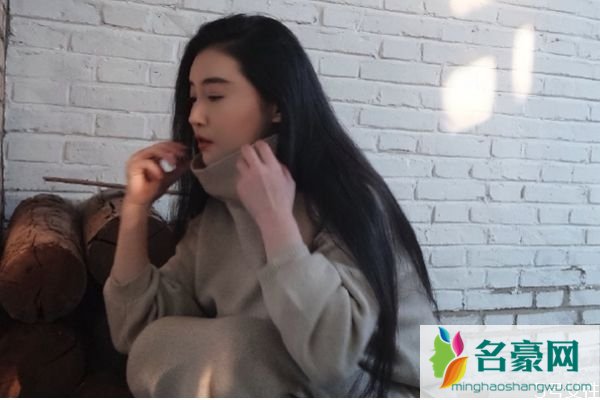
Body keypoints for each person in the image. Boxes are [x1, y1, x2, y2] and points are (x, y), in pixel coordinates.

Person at [103, 13, 438, 398]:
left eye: (215, 96)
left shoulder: (348, 200)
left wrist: (276, 221)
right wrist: (136, 209)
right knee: (169, 345)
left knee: (237, 352)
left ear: (276, 105)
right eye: (193, 98)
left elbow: (333, 356)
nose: (195, 116)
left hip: (387, 390)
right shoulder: (219, 213)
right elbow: (137, 334)